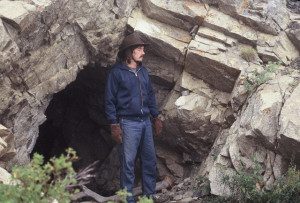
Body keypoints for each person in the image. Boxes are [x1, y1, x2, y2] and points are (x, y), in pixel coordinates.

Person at [104, 32, 163, 203]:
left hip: (145, 122)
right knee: (128, 164)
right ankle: (128, 200)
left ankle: (149, 197)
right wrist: (114, 125)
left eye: (143, 49)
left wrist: (156, 117)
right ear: (129, 52)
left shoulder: (143, 71)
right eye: (139, 49)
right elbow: (109, 100)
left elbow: (150, 95)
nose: (143, 53)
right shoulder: (116, 73)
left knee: (150, 161)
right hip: (127, 123)